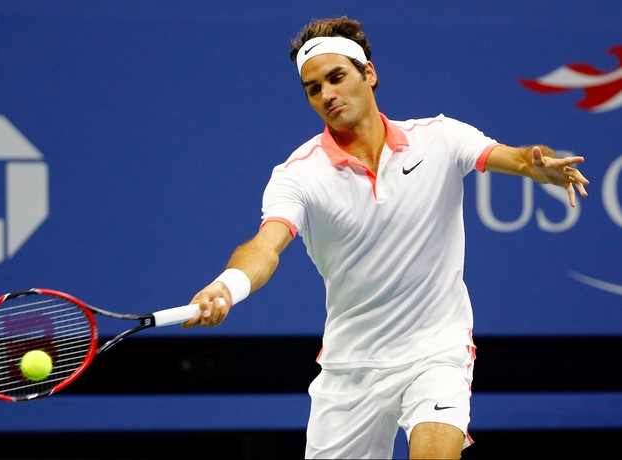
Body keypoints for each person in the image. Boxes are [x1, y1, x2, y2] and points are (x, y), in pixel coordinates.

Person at [182, 16, 589, 459]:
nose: (327, 95)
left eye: (336, 78)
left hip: (437, 349)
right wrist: (228, 285)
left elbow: (512, 158)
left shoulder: (440, 138)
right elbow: (267, 246)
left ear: (368, 74)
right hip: (351, 369)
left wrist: (537, 166)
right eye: (313, 88)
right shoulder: (298, 175)